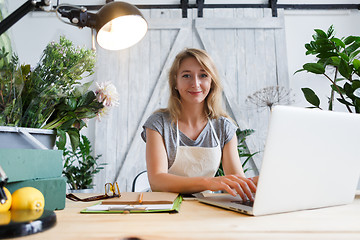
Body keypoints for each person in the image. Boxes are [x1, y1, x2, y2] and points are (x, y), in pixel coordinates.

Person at [141, 48, 257, 201]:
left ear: (212, 82)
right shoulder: (158, 124)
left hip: (204, 207)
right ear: (175, 82)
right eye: (186, 75)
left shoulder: (224, 127)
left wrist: (270, 179)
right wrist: (208, 183)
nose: (195, 83)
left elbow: (237, 181)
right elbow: (157, 181)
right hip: (164, 207)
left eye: (203, 75)